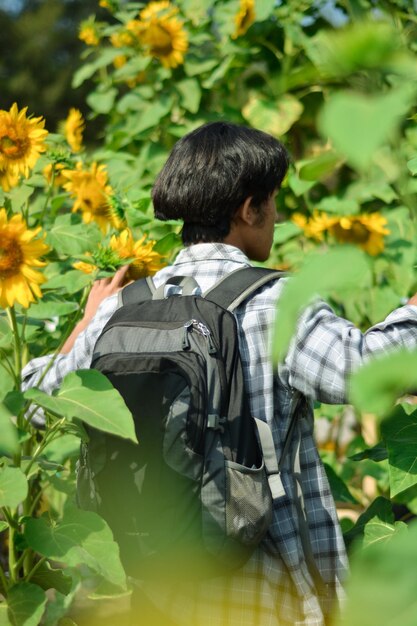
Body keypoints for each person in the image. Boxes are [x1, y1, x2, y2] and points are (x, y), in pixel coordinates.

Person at [22, 121, 417, 626]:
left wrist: (84, 324)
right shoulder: (276, 301)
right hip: (265, 601)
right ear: (248, 209)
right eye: (272, 200)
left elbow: (34, 402)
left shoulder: (122, 306)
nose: (276, 215)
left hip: (157, 594)